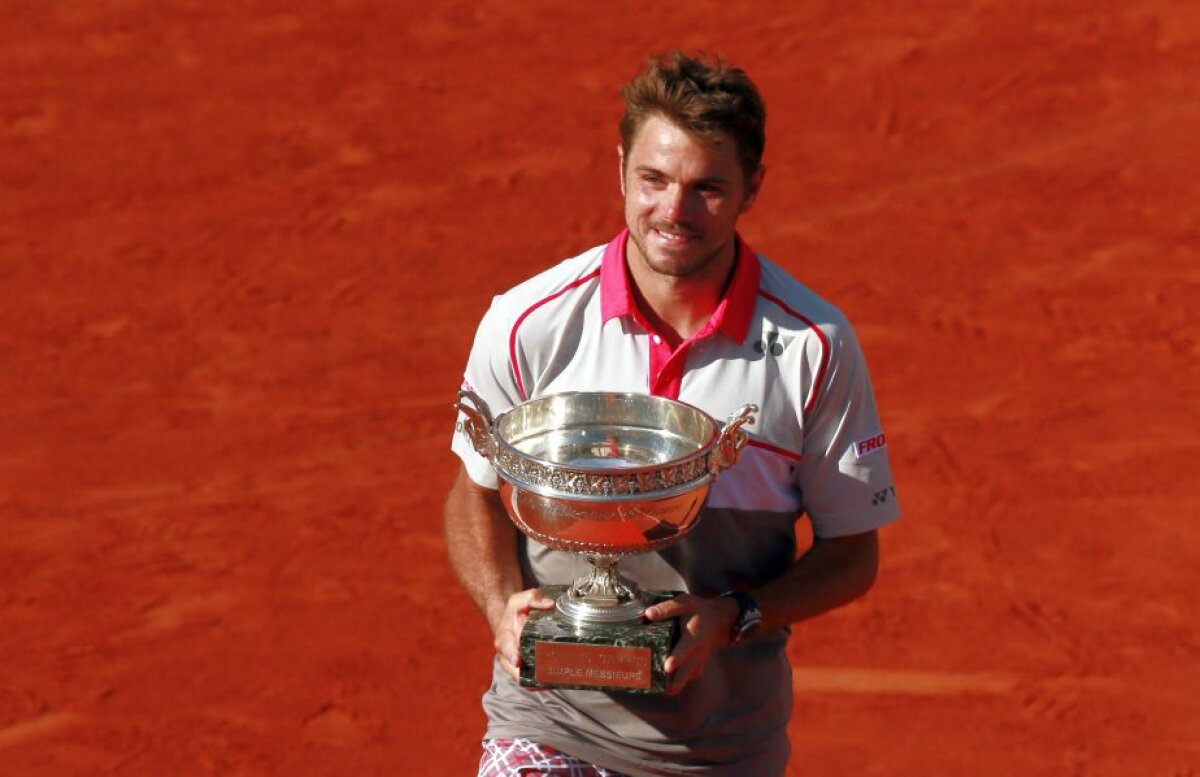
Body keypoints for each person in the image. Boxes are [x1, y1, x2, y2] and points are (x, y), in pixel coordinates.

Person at [445, 51, 901, 777]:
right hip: (549, 722)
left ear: (753, 188)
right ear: (620, 166)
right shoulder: (527, 323)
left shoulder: (812, 347)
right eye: (652, 179)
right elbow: (474, 491)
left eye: (707, 188)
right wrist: (503, 608)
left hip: (721, 750)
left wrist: (735, 617)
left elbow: (853, 555)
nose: (674, 212)